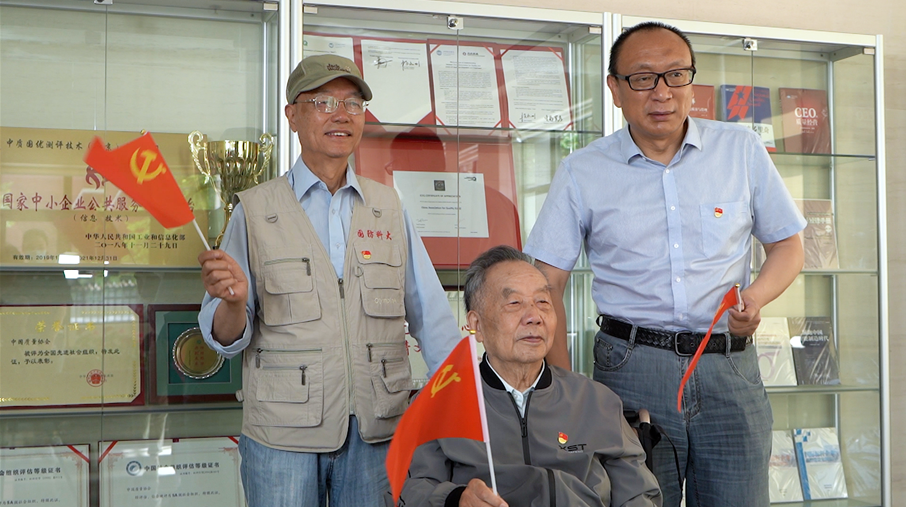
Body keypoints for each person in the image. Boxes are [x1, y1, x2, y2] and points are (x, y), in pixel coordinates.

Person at [523, 22, 806, 507]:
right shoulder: (582, 170)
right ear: (615, 89)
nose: (662, 92)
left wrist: (754, 299)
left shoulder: (740, 150)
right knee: (635, 499)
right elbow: (546, 284)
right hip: (631, 368)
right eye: (642, 78)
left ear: (691, 81)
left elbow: (788, 245)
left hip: (729, 366)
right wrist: (563, 392)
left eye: (676, 75)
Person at [197, 54, 461, 507]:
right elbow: (223, 338)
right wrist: (235, 304)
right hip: (283, 436)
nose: (341, 114)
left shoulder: (388, 207)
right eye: (323, 102)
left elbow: (432, 316)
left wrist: (463, 404)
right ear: (292, 115)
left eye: (353, 103)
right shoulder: (255, 210)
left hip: (377, 430)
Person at [399, 245, 662, 507]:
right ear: (476, 325)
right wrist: (455, 499)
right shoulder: (437, 406)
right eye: (514, 303)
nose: (534, 317)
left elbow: (639, 492)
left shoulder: (595, 401)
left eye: (543, 302)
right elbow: (410, 491)